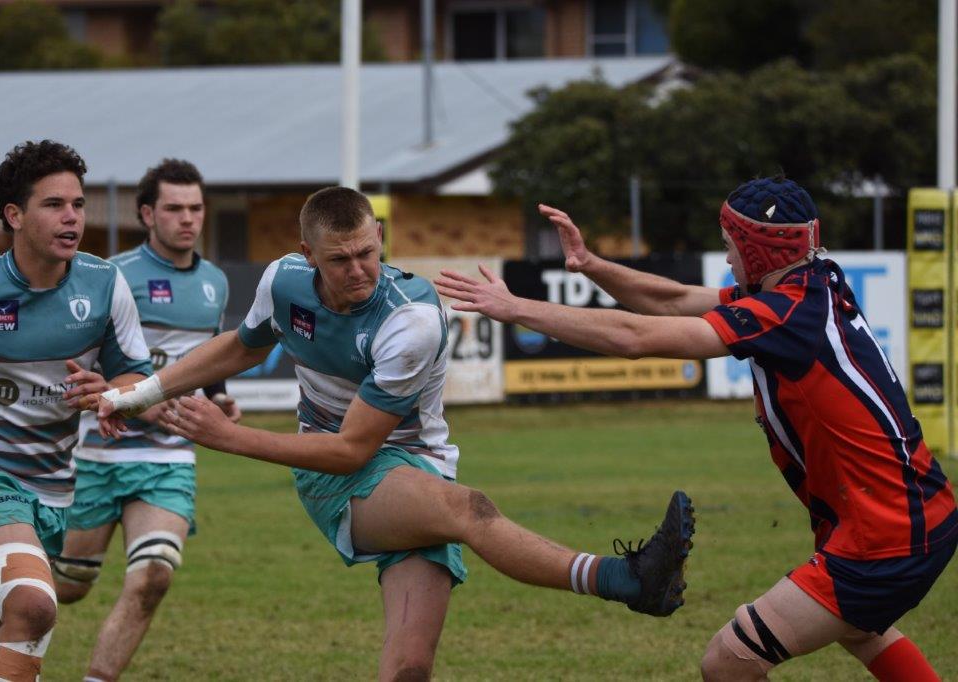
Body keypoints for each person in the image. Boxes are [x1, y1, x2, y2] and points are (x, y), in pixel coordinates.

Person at [95, 186, 695, 681]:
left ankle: (630, 581)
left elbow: (356, 443)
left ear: (379, 238)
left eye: (366, 252)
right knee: (469, 509)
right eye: (338, 259)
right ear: (308, 254)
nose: (357, 270)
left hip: (405, 463)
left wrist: (230, 439)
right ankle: (625, 579)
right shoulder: (282, 282)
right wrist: (141, 394)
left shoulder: (410, 318)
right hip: (336, 477)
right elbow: (244, 348)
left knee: (409, 669)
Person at [434, 176, 958, 682]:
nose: (727, 257)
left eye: (731, 245)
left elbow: (635, 337)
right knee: (862, 632)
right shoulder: (812, 286)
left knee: (729, 662)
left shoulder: (785, 313)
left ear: (758, 252)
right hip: (915, 513)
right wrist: (591, 265)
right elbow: (673, 301)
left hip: (886, 533)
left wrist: (515, 308)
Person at [0, 140, 152, 682]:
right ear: (15, 215)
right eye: (54, 204)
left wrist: (112, 391)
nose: (72, 217)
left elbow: (138, 378)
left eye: (78, 204)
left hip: (53, 492)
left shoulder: (104, 286)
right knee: (33, 606)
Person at [51, 159, 236, 682]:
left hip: (167, 457)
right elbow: (82, 362)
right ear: (147, 214)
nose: (188, 219)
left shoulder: (214, 283)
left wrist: (219, 398)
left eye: (196, 208)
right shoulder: (111, 276)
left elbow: (210, 356)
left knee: (154, 576)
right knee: (68, 585)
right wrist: (132, 398)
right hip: (98, 454)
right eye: (174, 208)